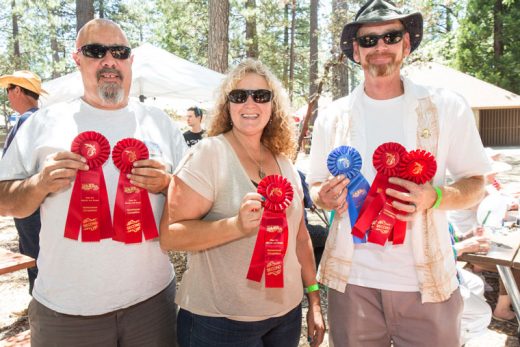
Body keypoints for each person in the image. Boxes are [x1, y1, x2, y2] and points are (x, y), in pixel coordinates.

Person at [307, 0, 491, 345]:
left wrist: (434, 196)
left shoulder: (446, 106)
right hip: (352, 284)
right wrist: (324, 195)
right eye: (368, 40)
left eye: (390, 37)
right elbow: (316, 184)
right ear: (355, 52)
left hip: (429, 285)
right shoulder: (333, 116)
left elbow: (476, 183)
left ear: (406, 45)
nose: (380, 47)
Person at [0, 19, 186, 346]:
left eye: (119, 51)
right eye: (95, 51)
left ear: (130, 60)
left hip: (153, 304)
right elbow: (3, 200)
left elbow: (194, 198)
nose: (109, 60)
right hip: (67, 311)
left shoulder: (160, 123)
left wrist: (167, 183)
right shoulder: (43, 123)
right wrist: (40, 184)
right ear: (77, 59)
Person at [160, 58, 325, 347]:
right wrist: (235, 226)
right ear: (227, 105)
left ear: (272, 106)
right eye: (239, 96)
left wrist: (313, 300)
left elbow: (300, 239)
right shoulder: (208, 154)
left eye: (261, 95)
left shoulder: (284, 164)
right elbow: (170, 235)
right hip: (218, 324)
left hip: (284, 319)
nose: (250, 103)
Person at [0, 70, 47, 294]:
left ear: (17, 90)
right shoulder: (41, 120)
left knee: (35, 256)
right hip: (37, 203)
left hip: (29, 205)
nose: (8, 95)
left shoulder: (27, 122)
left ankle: (40, 300)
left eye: (8, 90)